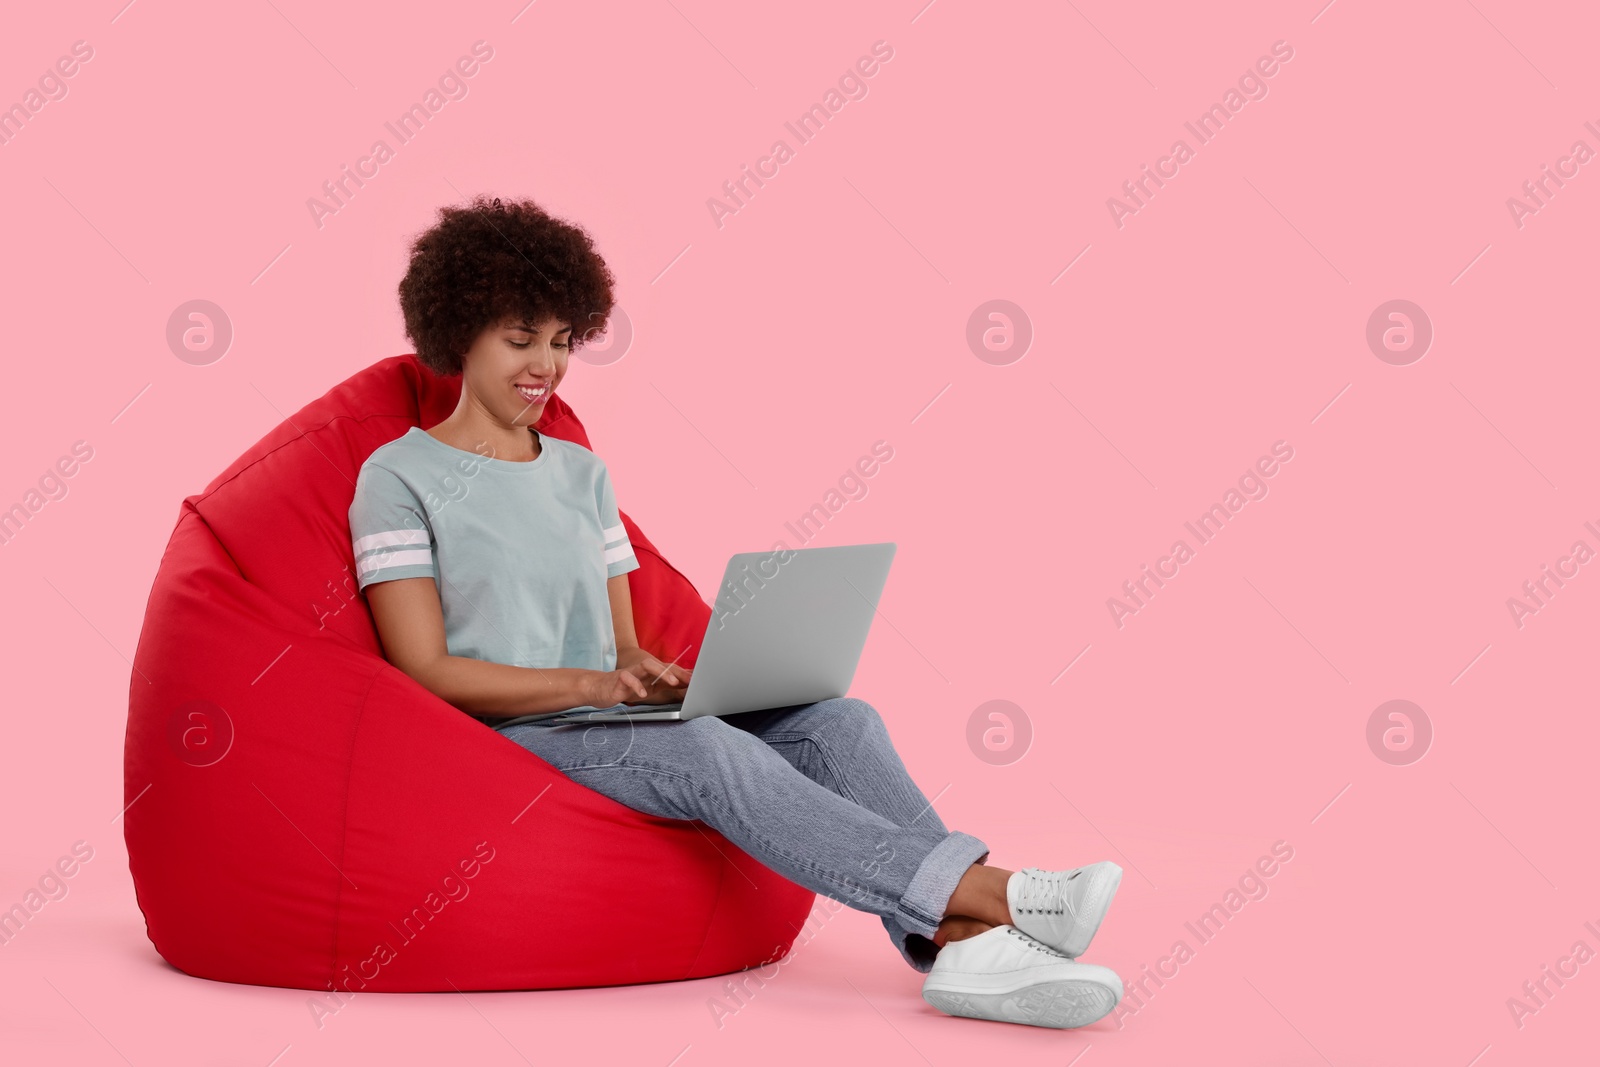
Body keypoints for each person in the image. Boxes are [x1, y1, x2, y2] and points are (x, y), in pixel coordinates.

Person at [348, 194, 1127, 1029]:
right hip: (521, 735)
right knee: (711, 749)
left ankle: (963, 946)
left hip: (614, 719)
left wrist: (648, 677)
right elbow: (424, 670)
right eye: (520, 338)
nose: (546, 364)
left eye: (563, 340)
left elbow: (620, 643)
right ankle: (999, 895)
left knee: (840, 722)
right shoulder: (399, 478)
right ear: (457, 333)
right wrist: (598, 687)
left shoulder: (581, 474)